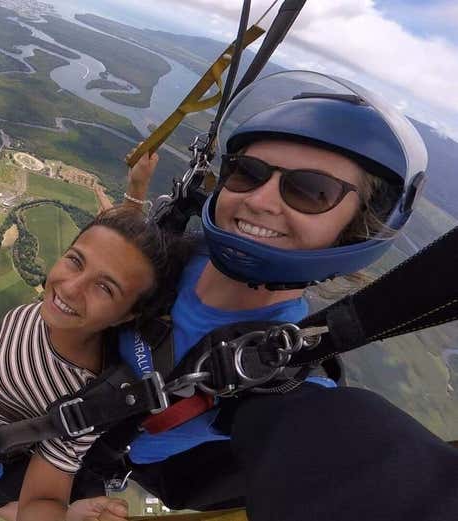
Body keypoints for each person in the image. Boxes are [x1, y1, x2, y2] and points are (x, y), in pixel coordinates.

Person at [66, 71, 458, 521]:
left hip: (77, 470)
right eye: (247, 173)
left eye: (311, 191)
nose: (260, 200)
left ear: (354, 228)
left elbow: (369, 473)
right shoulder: (172, 253)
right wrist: (135, 195)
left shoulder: (284, 383)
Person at [0, 205, 178, 521]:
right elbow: (119, 257)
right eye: (75, 261)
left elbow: (43, 499)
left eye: (104, 288)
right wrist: (134, 196)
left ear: (127, 315)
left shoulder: (82, 404)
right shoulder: (54, 314)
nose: (69, 288)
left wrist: (66, 516)